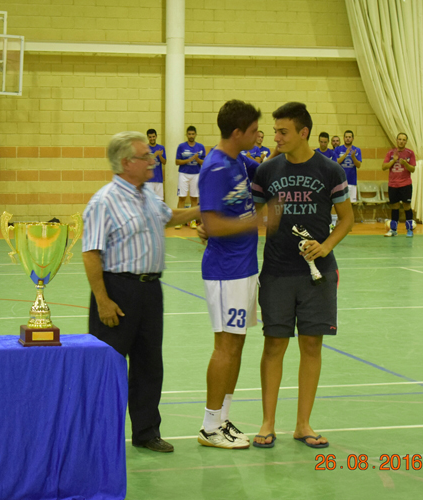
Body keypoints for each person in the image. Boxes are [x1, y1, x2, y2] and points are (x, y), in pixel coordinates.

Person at [82, 131, 200, 453]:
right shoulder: (103, 201)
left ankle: (146, 432)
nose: (152, 161)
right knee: (108, 366)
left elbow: (169, 216)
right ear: (125, 163)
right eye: (145, 156)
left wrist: (203, 210)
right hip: (117, 291)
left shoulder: (146, 195)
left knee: (149, 364)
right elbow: (91, 253)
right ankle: (100, 436)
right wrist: (103, 301)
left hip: (151, 291)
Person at [250, 102, 353, 449]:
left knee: (312, 345)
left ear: (303, 132)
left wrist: (325, 247)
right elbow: (256, 216)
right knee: (274, 345)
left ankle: (303, 424)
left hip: (317, 275)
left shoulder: (330, 170)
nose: (276, 137)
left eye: (283, 131)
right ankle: (267, 423)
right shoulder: (266, 171)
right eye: (276, 131)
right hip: (277, 272)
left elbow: (348, 219)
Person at [197, 100, 261, 449]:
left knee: (237, 343)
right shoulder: (216, 167)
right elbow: (212, 223)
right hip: (225, 272)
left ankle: (223, 419)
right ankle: (209, 426)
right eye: (253, 130)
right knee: (224, 346)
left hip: (245, 267)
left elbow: (268, 172)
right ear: (237, 132)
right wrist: (259, 221)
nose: (259, 135)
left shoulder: (239, 161)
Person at [382, 133, 416, 237]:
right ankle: (393, 230)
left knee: (406, 206)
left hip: (405, 184)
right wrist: (393, 160)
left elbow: (413, 169)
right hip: (393, 184)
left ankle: (409, 230)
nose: (401, 141)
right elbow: (384, 167)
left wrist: (405, 164)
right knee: (394, 206)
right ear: (396, 140)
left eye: (403, 140)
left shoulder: (410, 153)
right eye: (399, 139)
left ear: (406, 142)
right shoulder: (391, 153)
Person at [175, 126, 206, 228]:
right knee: (182, 198)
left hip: (196, 174)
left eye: (193, 134)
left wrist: (197, 160)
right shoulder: (181, 146)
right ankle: (179, 221)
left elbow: (204, 162)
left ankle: (192, 221)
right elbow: (177, 161)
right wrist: (188, 160)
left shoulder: (201, 147)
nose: (191, 136)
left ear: (196, 134)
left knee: (194, 198)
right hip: (183, 174)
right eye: (189, 134)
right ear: (187, 135)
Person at [334, 130, 362, 204]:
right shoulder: (338, 149)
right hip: (340, 182)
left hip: (352, 181)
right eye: (346, 137)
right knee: (340, 203)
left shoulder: (357, 150)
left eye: (349, 137)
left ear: (352, 138)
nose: (348, 139)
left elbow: (358, 165)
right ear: (343, 138)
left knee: (352, 204)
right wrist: (345, 154)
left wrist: (353, 157)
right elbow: (336, 162)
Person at [145, 129, 166, 201]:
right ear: (148, 137)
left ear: (156, 136)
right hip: (148, 180)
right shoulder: (145, 148)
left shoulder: (161, 147)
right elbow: (145, 163)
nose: (152, 138)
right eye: (150, 137)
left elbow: (164, 162)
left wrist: (160, 155)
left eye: (153, 136)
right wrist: (155, 154)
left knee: (160, 201)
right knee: (148, 201)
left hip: (159, 179)